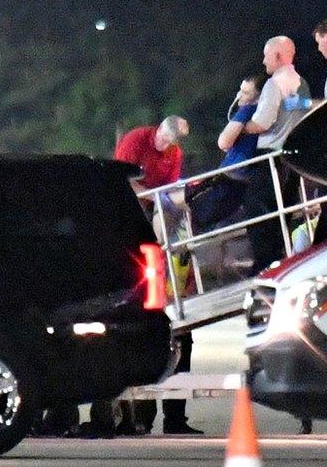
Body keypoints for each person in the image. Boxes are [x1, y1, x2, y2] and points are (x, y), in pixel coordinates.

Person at [114, 116, 201, 436]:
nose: (165, 147)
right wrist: (155, 196)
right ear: (158, 131)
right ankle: (138, 417)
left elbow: (171, 188)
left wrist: (167, 199)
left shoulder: (173, 154)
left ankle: (175, 418)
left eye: (170, 144)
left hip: (155, 210)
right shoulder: (136, 140)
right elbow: (120, 181)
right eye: (163, 140)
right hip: (128, 205)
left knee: (176, 210)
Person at [242, 36, 311, 275]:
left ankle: (264, 265)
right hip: (292, 160)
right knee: (283, 212)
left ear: (279, 56)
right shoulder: (300, 82)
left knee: (257, 210)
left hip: (270, 157)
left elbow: (263, 122)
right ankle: (280, 261)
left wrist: (242, 126)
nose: (263, 61)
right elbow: (298, 110)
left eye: (266, 55)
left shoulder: (274, 84)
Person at [186, 75, 264, 231]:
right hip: (247, 179)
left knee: (193, 209)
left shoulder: (247, 110)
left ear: (258, 96)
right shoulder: (264, 112)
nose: (240, 95)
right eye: (240, 90)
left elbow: (223, 142)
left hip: (232, 174)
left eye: (246, 92)